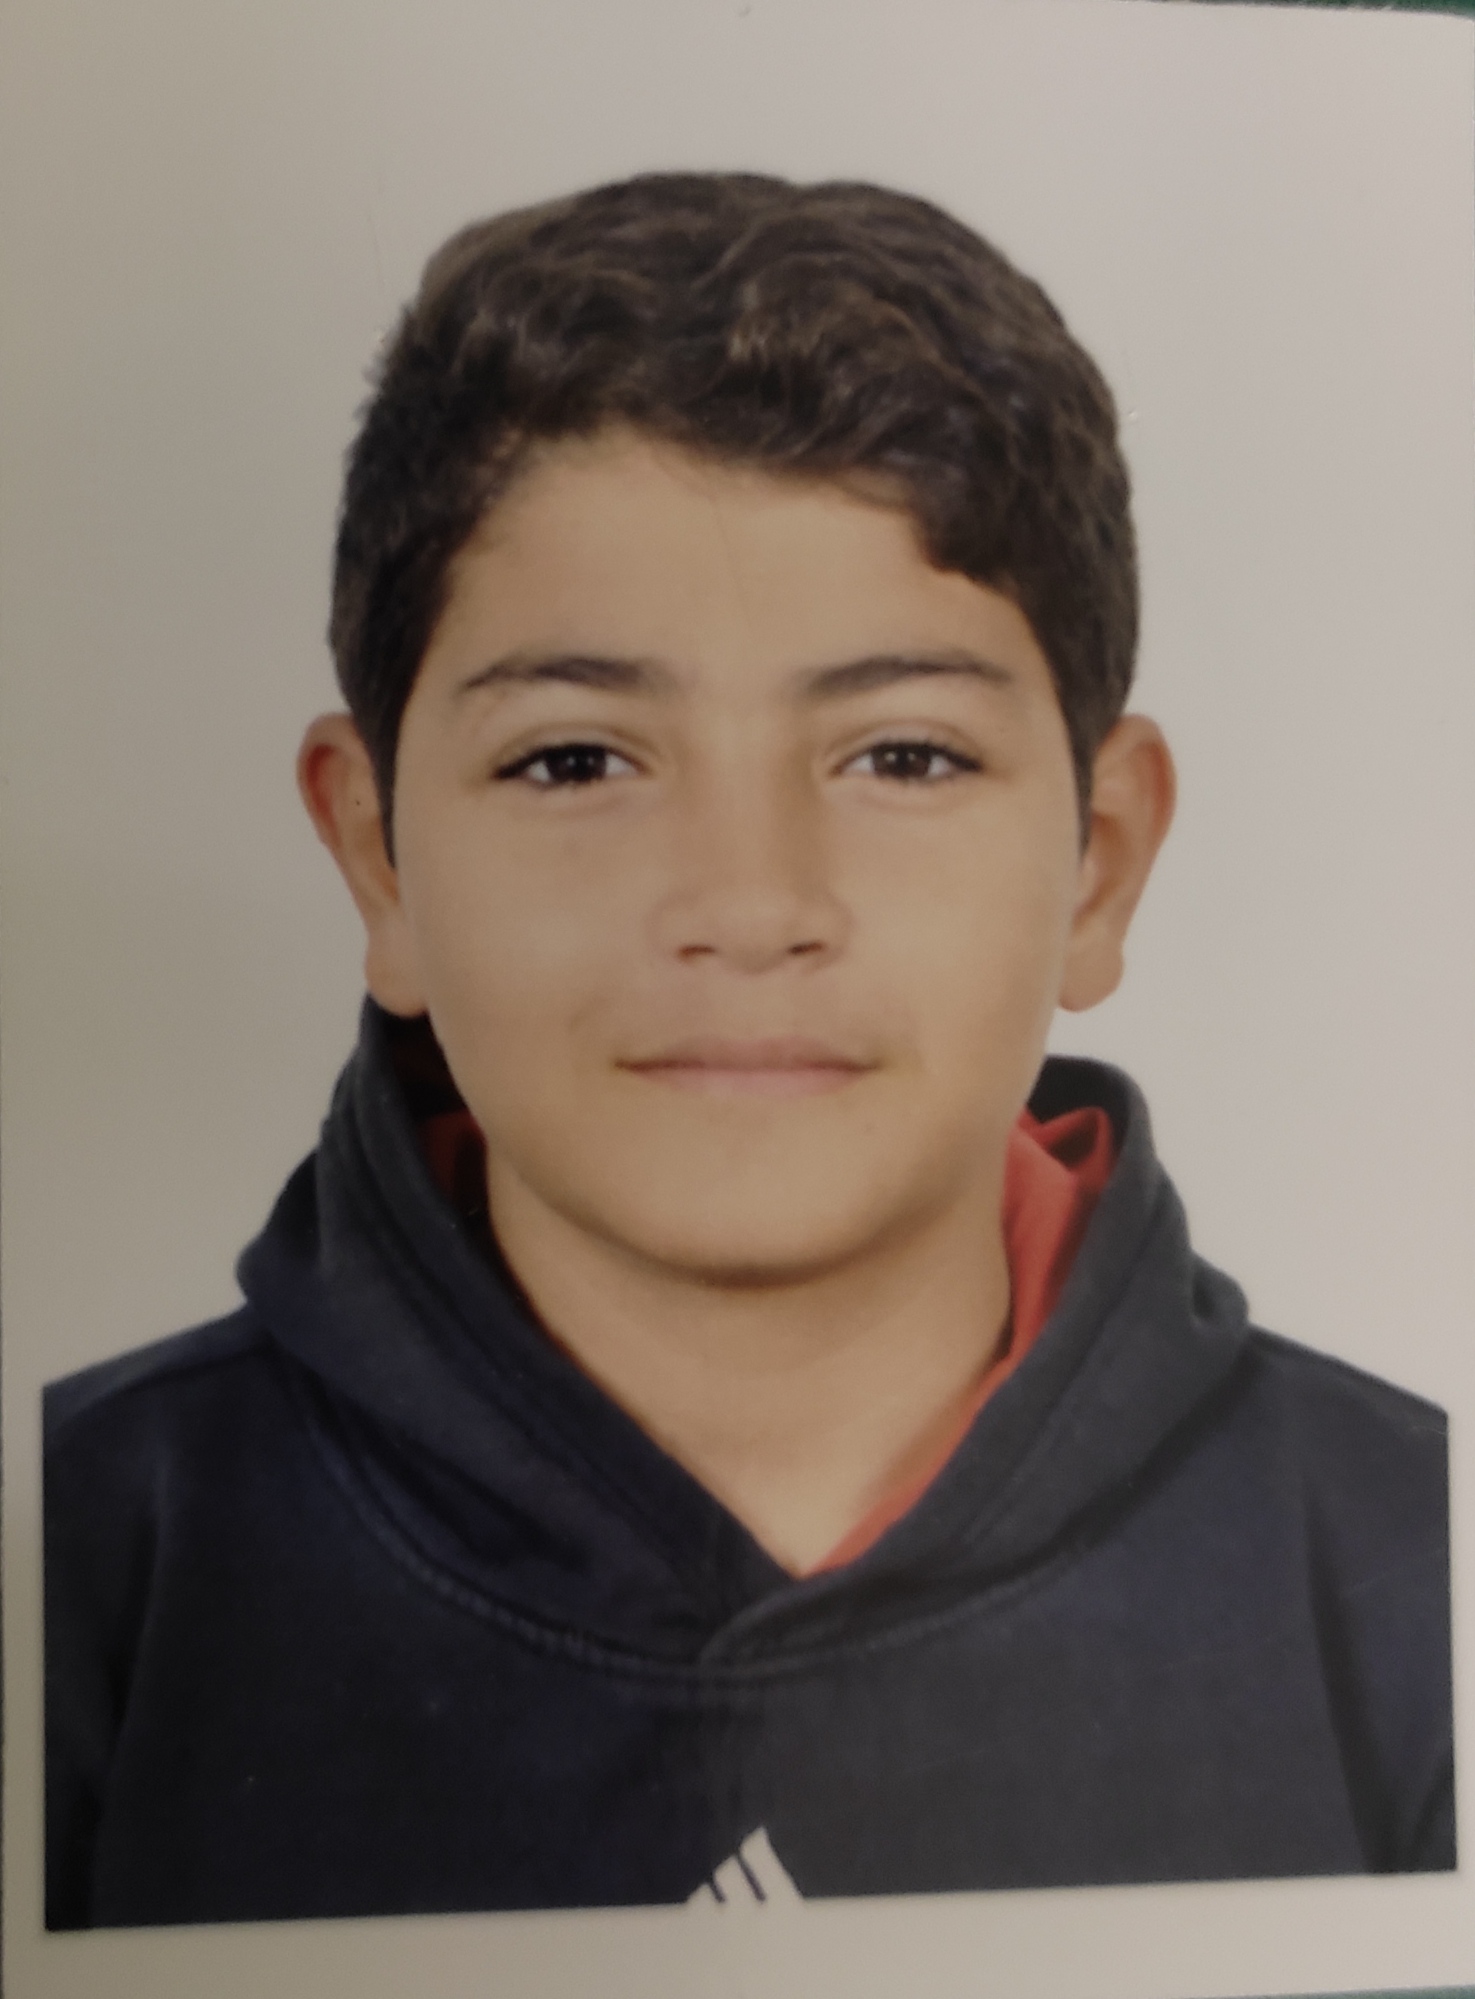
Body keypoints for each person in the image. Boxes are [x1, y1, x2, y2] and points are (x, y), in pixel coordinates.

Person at [44, 171, 1453, 1929]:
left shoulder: (1416, 1578)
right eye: (576, 760)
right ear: (378, 858)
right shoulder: (76, 1571)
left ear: (1098, 865)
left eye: (903, 757)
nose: (749, 903)